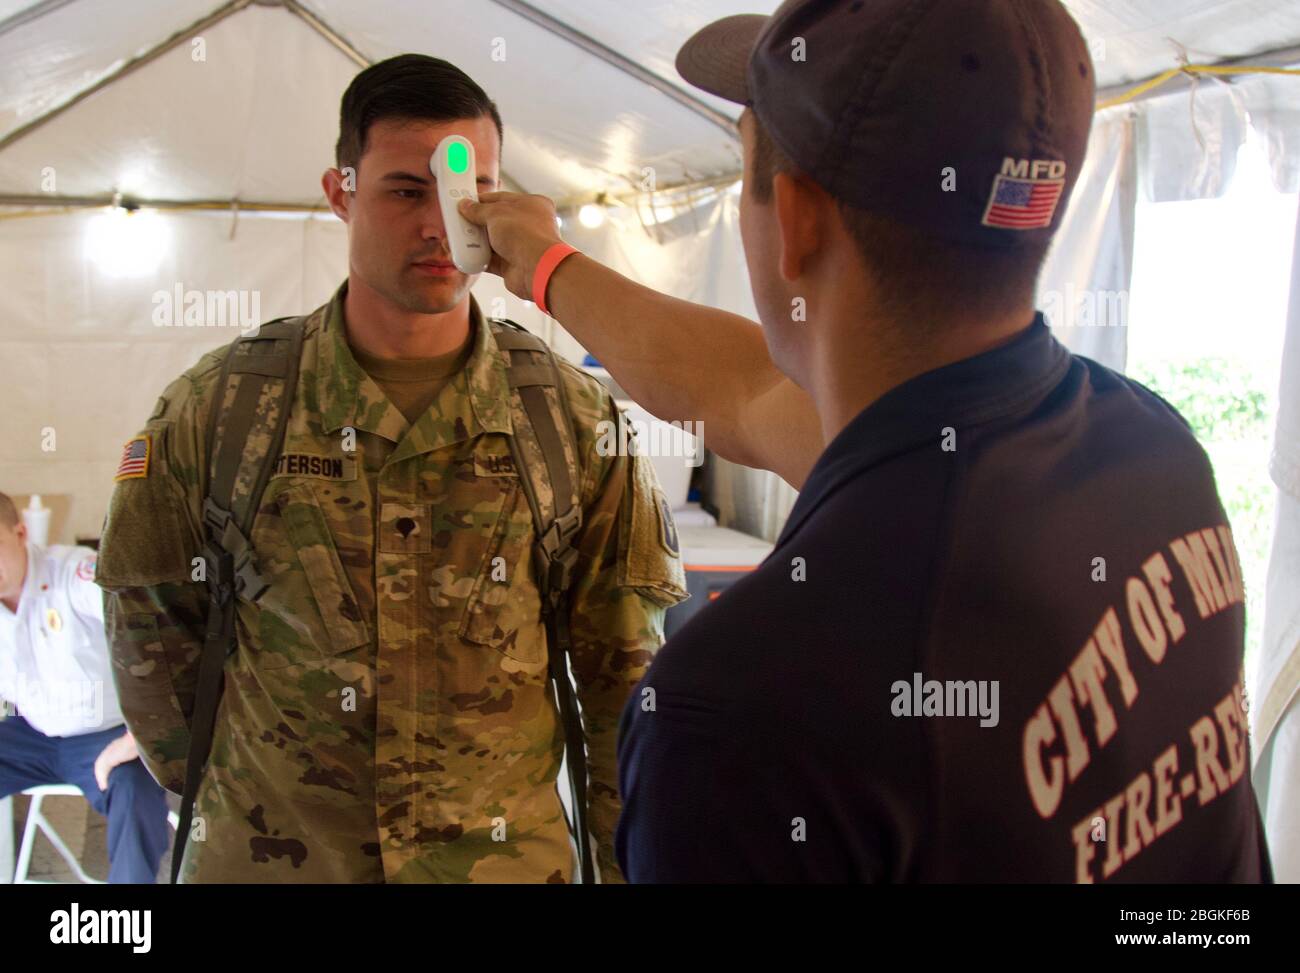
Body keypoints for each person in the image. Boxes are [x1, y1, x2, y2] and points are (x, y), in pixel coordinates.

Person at [459, 0, 1273, 881]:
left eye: (746, 168)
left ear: (798, 219)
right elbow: (738, 388)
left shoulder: (741, 715)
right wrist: (544, 265)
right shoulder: (1152, 449)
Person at [95, 54, 687, 884]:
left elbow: (622, 683)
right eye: (407, 190)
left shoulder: (569, 422)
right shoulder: (222, 411)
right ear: (341, 192)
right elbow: (154, 653)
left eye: (469, 191)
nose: (442, 225)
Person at [0, 492, 170, 883]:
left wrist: (139, 738)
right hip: (32, 733)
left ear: (21, 532)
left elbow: (163, 641)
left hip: (108, 733)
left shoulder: (76, 575)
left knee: (134, 789)